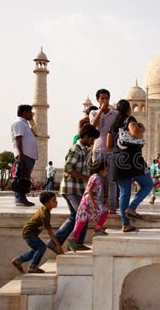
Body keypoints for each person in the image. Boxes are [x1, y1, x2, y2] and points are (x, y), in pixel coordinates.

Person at [48, 124, 100, 252]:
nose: (93, 142)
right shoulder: (76, 149)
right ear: (86, 136)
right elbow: (68, 168)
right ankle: (69, 242)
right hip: (71, 188)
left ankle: (70, 242)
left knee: (78, 215)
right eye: (92, 139)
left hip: (76, 188)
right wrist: (85, 178)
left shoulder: (83, 150)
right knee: (81, 214)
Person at [110, 99, 152, 232]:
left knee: (124, 192)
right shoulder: (129, 119)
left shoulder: (113, 125)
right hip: (132, 159)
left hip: (117, 159)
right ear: (129, 109)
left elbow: (108, 145)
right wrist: (142, 128)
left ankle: (125, 224)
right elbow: (135, 132)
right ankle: (132, 207)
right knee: (148, 184)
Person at [11, 192, 62, 274]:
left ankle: (18, 260)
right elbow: (50, 232)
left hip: (29, 233)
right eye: (53, 200)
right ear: (46, 203)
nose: (56, 202)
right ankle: (32, 267)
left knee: (37, 249)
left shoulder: (46, 210)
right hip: (29, 233)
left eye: (55, 200)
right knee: (41, 247)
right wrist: (58, 245)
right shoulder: (45, 214)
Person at [67, 162, 109, 252]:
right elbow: (90, 189)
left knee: (82, 221)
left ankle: (73, 240)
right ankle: (97, 230)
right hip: (89, 202)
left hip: (87, 202)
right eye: (106, 170)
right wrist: (93, 202)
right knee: (104, 211)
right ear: (102, 170)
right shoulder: (96, 177)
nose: (107, 172)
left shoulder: (95, 176)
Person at [90, 89, 119, 214]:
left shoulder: (115, 114)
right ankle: (99, 206)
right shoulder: (93, 112)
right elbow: (92, 126)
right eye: (102, 98)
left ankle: (112, 207)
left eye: (106, 98)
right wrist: (101, 110)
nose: (104, 100)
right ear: (98, 100)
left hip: (111, 150)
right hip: (98, 150)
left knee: (112, 181)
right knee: (98, 180)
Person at [11, 105, 38, 206]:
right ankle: (19, 199)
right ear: (25, 112)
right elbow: (18, 139)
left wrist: (32, 123)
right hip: (24, 155)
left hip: (28, 155)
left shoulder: (25, 124)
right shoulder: (19, 123)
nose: (32, 114)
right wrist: (21, 154)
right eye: (30, 112)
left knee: (24, 178)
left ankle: (21, 198)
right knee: (21, 178)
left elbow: (36, 133)